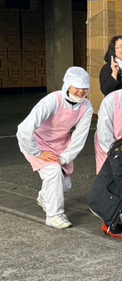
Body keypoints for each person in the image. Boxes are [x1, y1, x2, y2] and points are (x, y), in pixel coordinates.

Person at [17, 66, 93, 230]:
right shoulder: (52, 100)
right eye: (77, 87)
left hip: (60, 146)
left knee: (64, 185)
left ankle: (45, 197)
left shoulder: (86, 106)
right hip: (37, 143)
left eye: (85, 88)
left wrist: (65, 157)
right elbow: (24, 129)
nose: (81, 91)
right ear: (68, 85)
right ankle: (54, 216)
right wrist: (36, 152)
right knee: (53, 172)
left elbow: (79, 137)